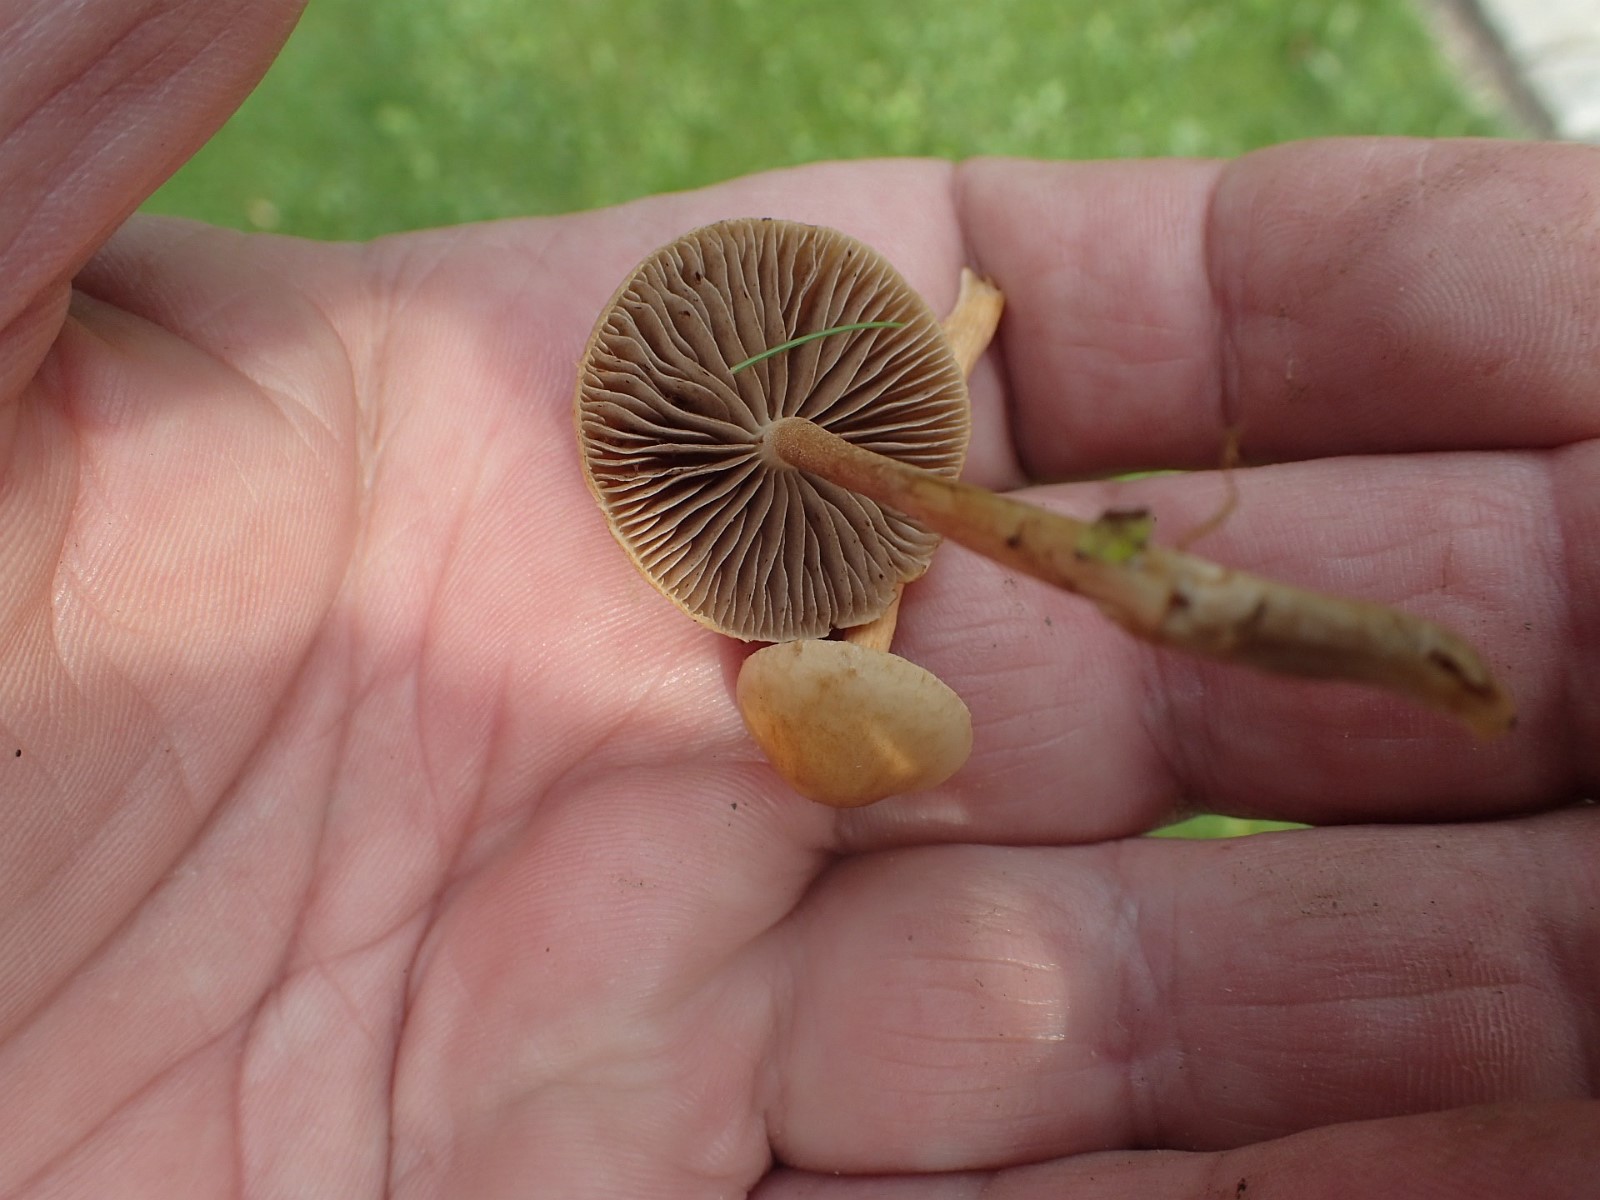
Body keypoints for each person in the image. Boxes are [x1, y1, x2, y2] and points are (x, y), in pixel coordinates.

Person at [2, 3, 1595, 1196]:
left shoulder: (851, 503)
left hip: (827, 472)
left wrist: (942, 356)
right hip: (762, 469)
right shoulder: (732, 480)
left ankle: (1405, 656)